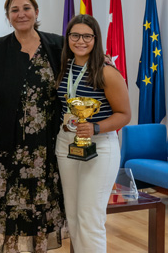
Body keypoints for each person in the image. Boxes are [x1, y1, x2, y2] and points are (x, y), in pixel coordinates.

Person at [0, 0, 65, 253]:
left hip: (45, 146)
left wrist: (105, 60)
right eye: (15, 10)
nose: (21, 14)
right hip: (8, 144)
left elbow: (84, 63)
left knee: (39, 207)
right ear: (8, 17)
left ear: (36, 12)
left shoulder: (57, 45)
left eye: (26, 8)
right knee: (10, 208)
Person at [55, 14, 131, 253]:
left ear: (96, 39)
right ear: (67, 38)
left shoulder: (106, 72)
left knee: (90, 218)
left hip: (99, 145)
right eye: (75, 35)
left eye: (87, 36)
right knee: (74, 217)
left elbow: (124, 114)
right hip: (66, 143)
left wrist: (96, 127)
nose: (80, 41)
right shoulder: (63, 67)